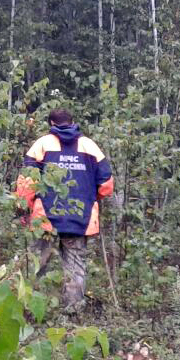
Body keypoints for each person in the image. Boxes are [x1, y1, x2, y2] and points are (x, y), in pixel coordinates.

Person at [14, 109, 114, 312]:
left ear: (51, 122)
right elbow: (107, 184)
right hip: (79, 218)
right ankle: (73, 313)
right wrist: (88, 199)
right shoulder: (89, 146)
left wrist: (24, 210)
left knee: (37, 265)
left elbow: (26, 182)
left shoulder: (42, 144)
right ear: (73, 122)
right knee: (75, 266)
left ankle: (29, 311)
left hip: (45, 220)